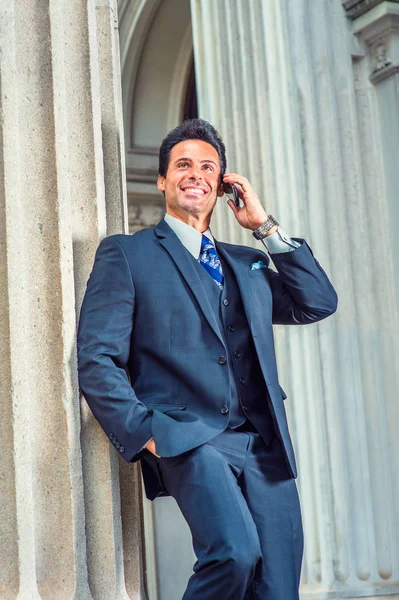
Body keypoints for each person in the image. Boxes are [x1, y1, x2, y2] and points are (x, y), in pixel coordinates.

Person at [77, 118, 338, 599]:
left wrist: (264, 226)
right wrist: (147, 432)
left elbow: (317, 302)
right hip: (187, 436)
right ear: (162, 180)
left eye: (207, 167)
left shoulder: (249, 263)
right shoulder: (128, 255)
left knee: (278, 589)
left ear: (222, 186)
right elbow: (96, 359)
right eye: (182, 165)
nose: (194, 174)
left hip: (263, 443)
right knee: (234, 553)